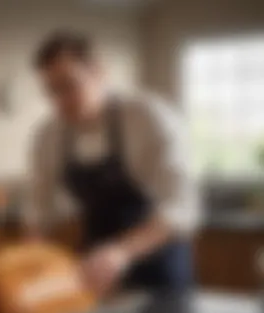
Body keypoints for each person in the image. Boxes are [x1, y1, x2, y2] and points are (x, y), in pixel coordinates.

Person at [24, 30, 199, 296]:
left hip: (157, 264)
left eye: (69, 85)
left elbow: (182, 207)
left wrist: (121, 252)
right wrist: (29, 258)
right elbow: (40, 207)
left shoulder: (148, 116)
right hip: (94, 267)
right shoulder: (48, 135)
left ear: (98, 72)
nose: (60, 102)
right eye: (52, 91)